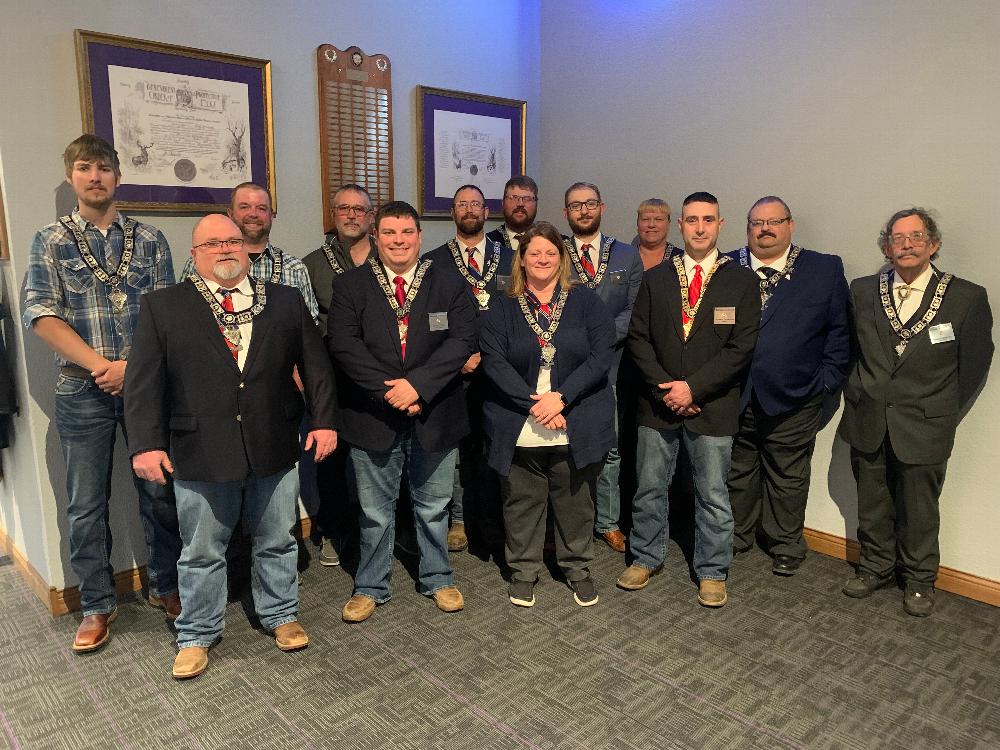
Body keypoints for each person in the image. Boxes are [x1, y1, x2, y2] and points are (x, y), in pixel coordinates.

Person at [126, 214, 337, 679]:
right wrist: (144, 444)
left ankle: (281, 615)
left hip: (274, 443)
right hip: (199, 450)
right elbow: (143, 384)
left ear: (245, 248)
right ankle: (197, 634)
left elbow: (316, 366)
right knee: (200, 550)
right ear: (195, 253)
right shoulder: (163, 306)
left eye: (233, 241)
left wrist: (324, 422)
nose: (225, 249)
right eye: (212, 243)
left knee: (278, 539)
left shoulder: (283, 301)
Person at [22, 134, 182, 653]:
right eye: (86, 168)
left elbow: (168, 315)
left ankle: (168, 586)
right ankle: (94, 604)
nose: (96, 177)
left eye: (105, 168)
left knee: (159, 492)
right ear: (72, 176)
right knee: (85, 504)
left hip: (146, 387)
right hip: (80, 389)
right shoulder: (49, 240)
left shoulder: (152, 239)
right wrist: (103, 367)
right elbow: (42, 315)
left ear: (118, 176)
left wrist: (130, 369)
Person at [837, 208, 993, 616]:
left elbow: (975, 363)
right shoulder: (863, 290)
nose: (906, 244)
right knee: (871, 500)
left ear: (933, 245)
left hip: (926, 424)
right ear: (886, 246)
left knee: (920, 508)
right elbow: (850, 349)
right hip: (868, 416)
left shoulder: (966, 296)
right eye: (897, 237)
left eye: (916, 236)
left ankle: (920, 580)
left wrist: (941, 410)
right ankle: (875, 567)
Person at [329, 201, 476, 623]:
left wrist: (419, 387)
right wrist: (389, 391)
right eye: (390, 233)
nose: (398, 241)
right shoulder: (351, 286)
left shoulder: (448, 282)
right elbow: (343, 345)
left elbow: (463, 340)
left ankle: (438, 576)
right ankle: (371, 585)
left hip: (437, 412)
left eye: (406, 232)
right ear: (377, 237)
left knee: (434, 506)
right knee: (374, 511)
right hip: (373, 415)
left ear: (419, 236)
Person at [618, 192, 760, 607]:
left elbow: (741, 348)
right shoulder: (658, 276)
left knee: (713, 492)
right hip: (658, 402)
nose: (700, 227)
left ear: (720, 225)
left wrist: (693, 389)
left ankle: (713, 571)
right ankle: (645, 557)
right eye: (692, 220)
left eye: (708, 220)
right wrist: (669, 388)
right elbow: (639, 338)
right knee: (648, 487)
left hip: (713, 405)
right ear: (679, 225)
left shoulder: (742, 281)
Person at [480, 221, 615, 607]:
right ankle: (523, 570)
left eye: (550, 253)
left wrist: (562, 398)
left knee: (576, 501)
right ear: (521, 259)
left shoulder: (586, 301)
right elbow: (494, 361)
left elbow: (600, 356)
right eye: (533, 252)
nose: (542, 259)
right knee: (521, 502)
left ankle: (577, 568)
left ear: (562, 259)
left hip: (576, 417)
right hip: (521, 420)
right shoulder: (502, 305)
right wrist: (535, 402)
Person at [725, 196, 850, 575]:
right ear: (747, 228)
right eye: (756, 223)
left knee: (788, 475)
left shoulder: (823, 269)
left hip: (797, 395)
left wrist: (826, 383)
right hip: (735, 394)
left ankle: (785, 542)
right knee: (737, 471)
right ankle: (737, 536)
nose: (764, 229)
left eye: (773, 222)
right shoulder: (726, 265)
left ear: (790, 225)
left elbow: (840, 334)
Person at [424, 185, 508, 553]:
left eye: (476, 204)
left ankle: (493, 517)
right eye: (462, 205)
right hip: (454, 373)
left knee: (496, 445)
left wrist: (488, 356)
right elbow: (430, 321)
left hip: (500, 371)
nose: (469, 210)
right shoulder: (433, 261)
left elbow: (517, 315)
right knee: (456, 449)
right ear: (452, 213)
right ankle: (458, 519)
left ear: (486, 211)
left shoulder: (511, 258)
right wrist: (462, 358)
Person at [562, 182, 643, 553]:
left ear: (602, 207)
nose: (583, 210)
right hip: (564, 366)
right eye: (575, 205)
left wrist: (599, 337)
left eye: (590, 203)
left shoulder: (627, 255)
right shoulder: (553, 253)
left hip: (611, 366)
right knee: (563, 447)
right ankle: (563, 520)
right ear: (566, 212)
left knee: (609, 447)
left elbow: (635, 309)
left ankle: (607, 521)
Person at [302, 183, 378, 567]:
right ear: (334, 216)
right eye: (343, 209)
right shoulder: (311, 264)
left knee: (381, 458)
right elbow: (305, 328)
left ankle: (386, 531)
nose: (351, 215)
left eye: (359, 209)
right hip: (332, 378)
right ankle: (333, 530)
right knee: (333, 460)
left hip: (383, 377)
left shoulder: (388, 257)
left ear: (371, 216)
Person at [180, 182, 318, 322]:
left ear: (271, 215)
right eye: (244, 207)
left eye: (261, 208)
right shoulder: (197, 263)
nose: (253, 214)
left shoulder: (295, 268)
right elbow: (181, 318)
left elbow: (308, 328)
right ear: (230, 214)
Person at [486, 175, 539, 258]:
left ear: (536, 204)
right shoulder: (488, 242)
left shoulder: (550, 242)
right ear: (503, 203)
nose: (520, 204)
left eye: (527, 198)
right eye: (514, 198)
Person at [633, 198, 682, 270]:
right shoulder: (624, 257)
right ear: (637, 223)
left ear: (668, 224)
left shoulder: (681, 259)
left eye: (658, 219)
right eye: (645, 219)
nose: (651, 225)